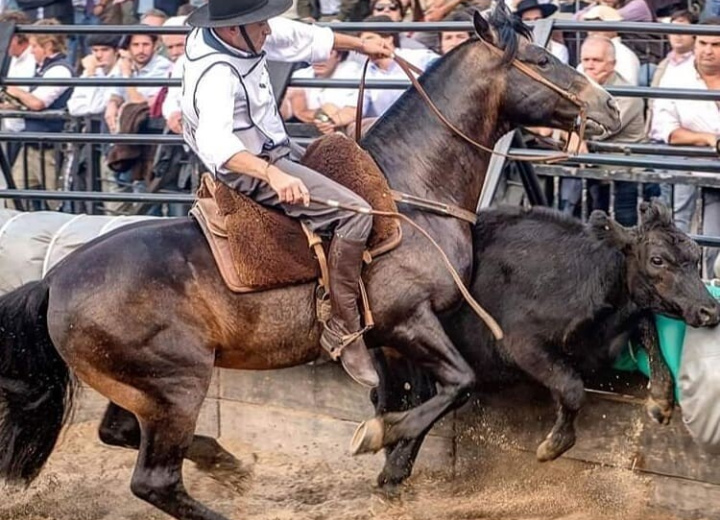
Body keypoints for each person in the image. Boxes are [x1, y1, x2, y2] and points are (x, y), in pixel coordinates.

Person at [182, 0, 394, 388]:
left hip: (271, 144)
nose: (267, 29)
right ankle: (343, 326)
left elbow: (297, 36)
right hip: (246, 165)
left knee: (343, 158)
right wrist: (272, 175)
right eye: (259, 23)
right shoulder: (217, 76)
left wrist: (363, 45)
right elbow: (218, 144)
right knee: (356, 212)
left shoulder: (237, 35)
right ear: (234, 30)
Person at [653, 17, 720, 276]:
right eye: (703, 42)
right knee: (677, 235)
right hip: (685, 171)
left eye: (716, 44)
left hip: (714, 179)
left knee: (712, 244)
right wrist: (706, 138)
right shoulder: (676, 76)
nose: (707, 50)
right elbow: (665, 128)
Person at [6, 19, 74, 195]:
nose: (32, 51)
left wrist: (16, 91)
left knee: (56, 200)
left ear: (49, 45)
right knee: (14, 194)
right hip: (31, 144)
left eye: (35, 46)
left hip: (50, 149)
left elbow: (37, 103)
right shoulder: (41, 69)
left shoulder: (60, 70)